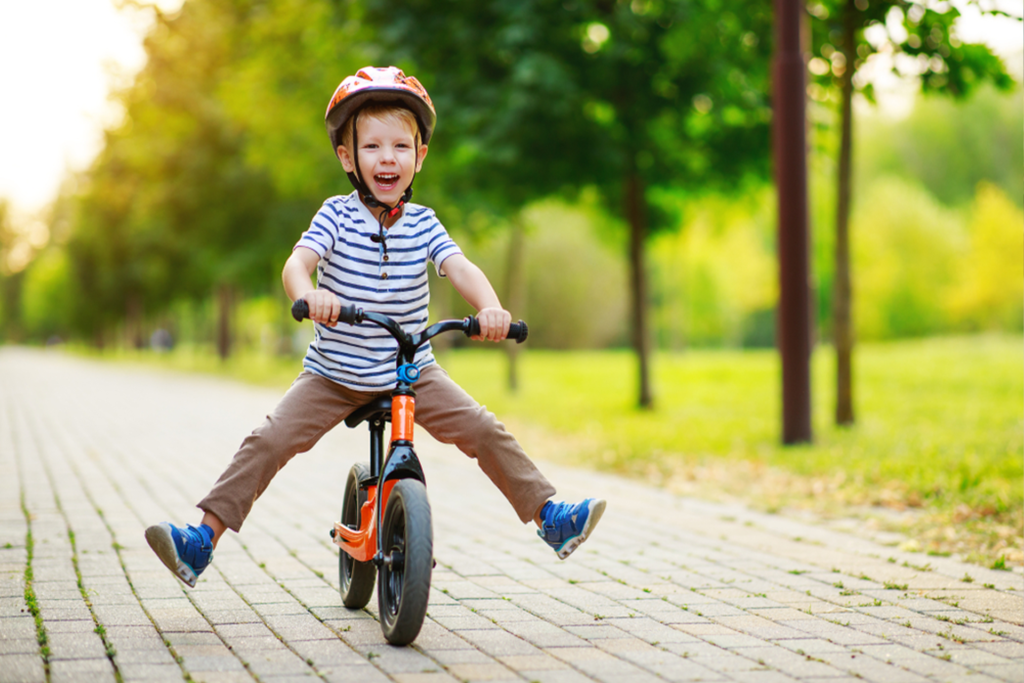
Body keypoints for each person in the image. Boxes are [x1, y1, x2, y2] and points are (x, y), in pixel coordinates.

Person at [145, 66, 605, 588]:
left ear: (419, 156)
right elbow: (296, 265)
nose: (388, 158)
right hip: (333, 373)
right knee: (269, 440)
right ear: (348, 157)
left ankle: (550, 518)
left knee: (482, 428)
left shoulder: (426, 223)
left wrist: (492, 308)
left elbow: (461, 269)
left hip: (412, 371)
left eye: (401, 147)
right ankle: (201, 540)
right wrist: (309, 294)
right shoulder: (335, 217)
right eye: (373, 147)